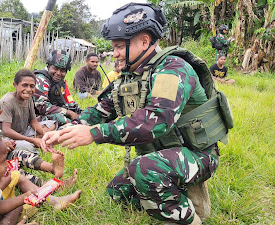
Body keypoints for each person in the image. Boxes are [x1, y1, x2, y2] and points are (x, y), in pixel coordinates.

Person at [41, 3, 233, 225]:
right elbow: (101, 110)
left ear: (144, 41)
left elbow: (156, 121)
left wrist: (94, 133)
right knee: (115, 194)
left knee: (143, 170)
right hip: (163, 153)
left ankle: (188, 218)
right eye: (114, 47)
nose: (115, 54)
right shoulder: (129, 77)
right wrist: (64, 130)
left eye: (120, 47)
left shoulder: (173, 68)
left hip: (198, 154)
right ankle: (174, 191)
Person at [0, 95, 78, 187]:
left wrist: (6, 145)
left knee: (21, 154)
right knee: (16, 173)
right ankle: (48, 185)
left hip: (0, 159)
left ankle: (51, 168)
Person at [33, 50, 82, 127]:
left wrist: (82, 113)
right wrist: (68, 113)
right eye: (55, 68)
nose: (58, 73)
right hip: (34, 117)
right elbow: (43, 107)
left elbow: (69, 101)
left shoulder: (60, 82)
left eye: (62, 70)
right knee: (68, 122)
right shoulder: (41, 79)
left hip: (53, 112)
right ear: (49, 66)